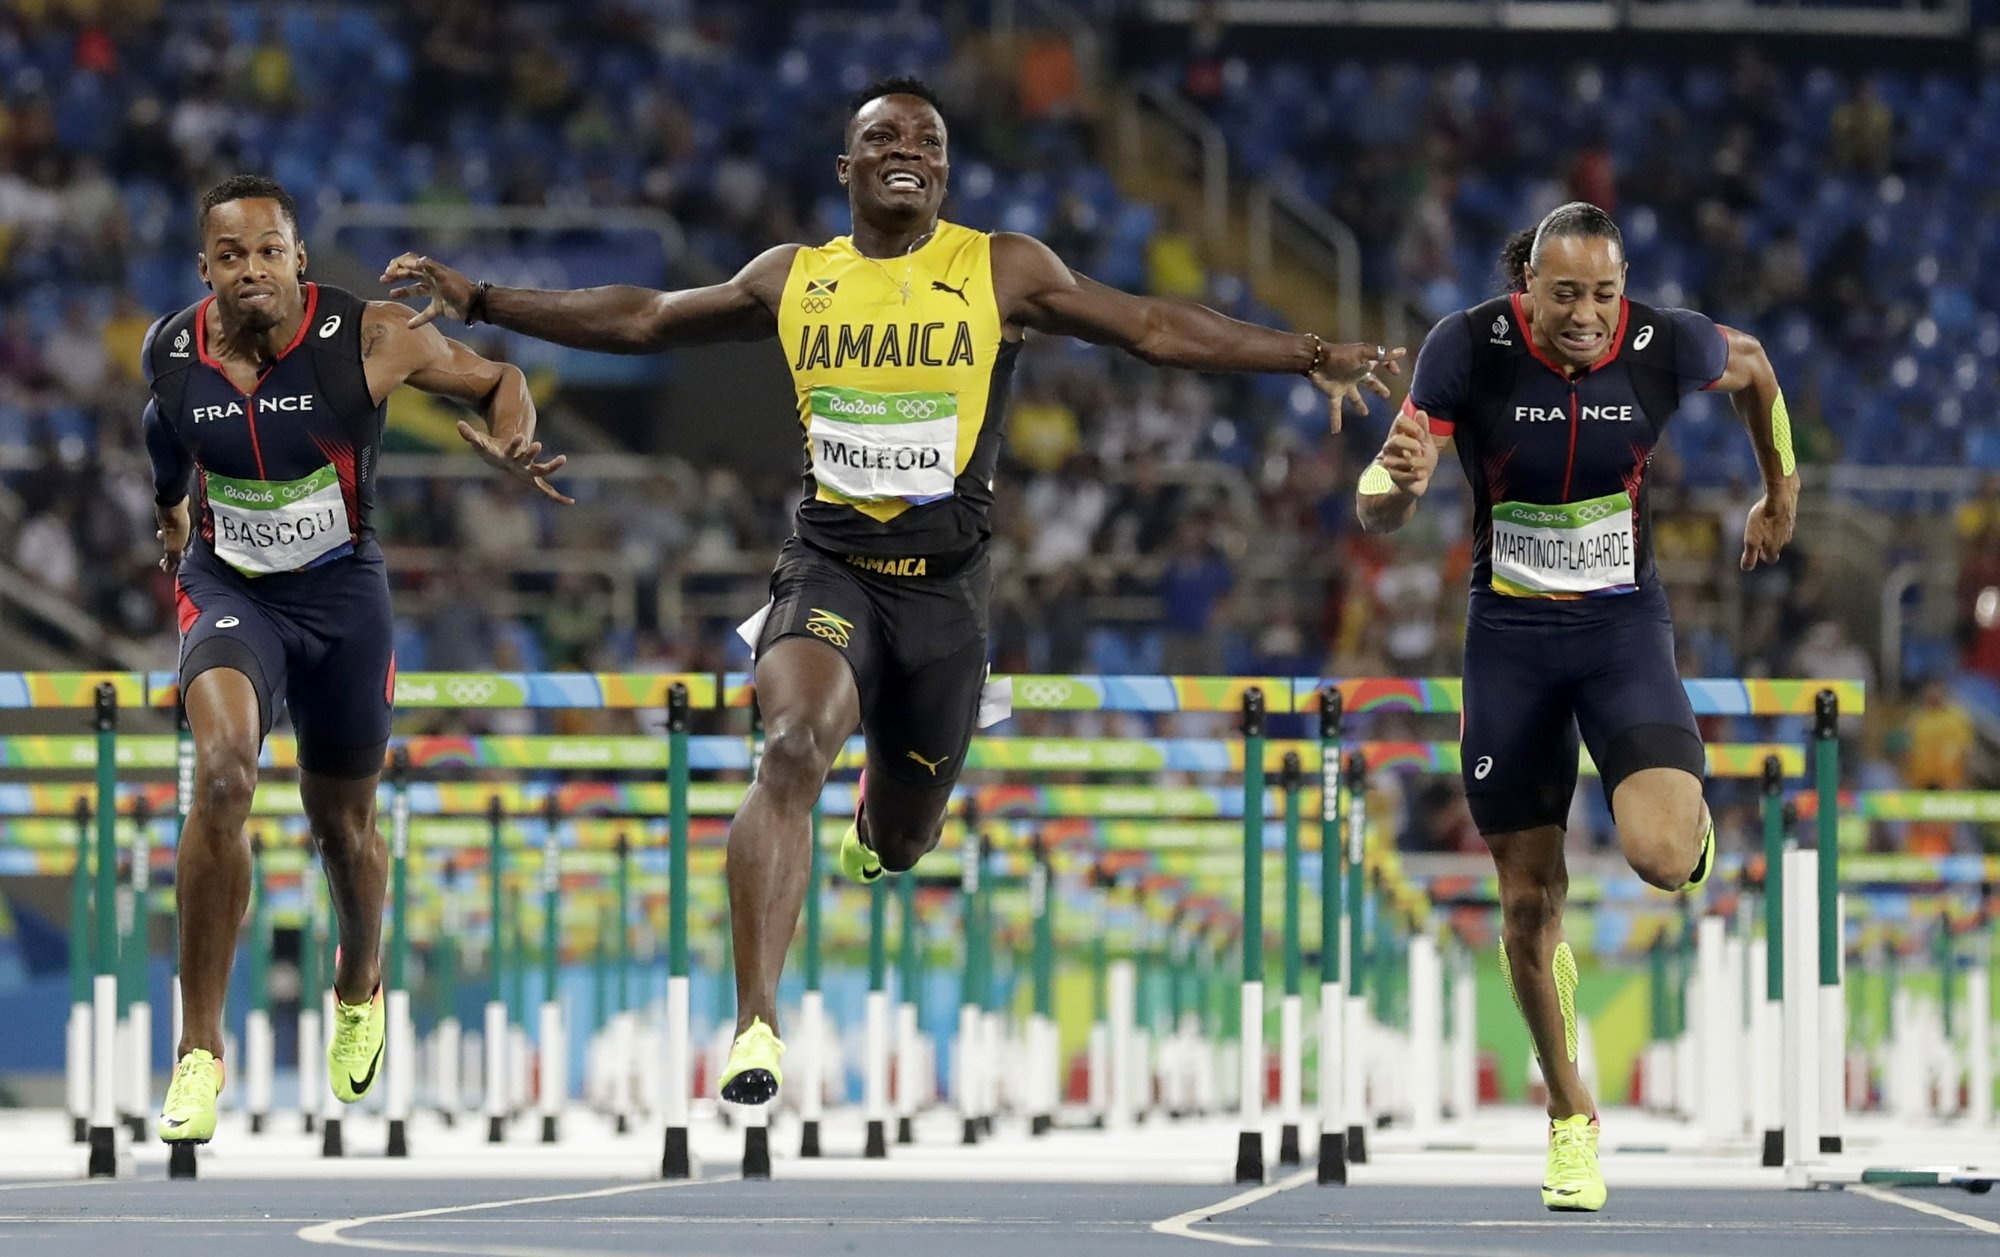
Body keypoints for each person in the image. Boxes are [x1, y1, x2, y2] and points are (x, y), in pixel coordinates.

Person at [381, 76, 1401, 1106]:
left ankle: (878, 824)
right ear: (847, 167)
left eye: (927, 137)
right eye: (882, 136)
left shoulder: (1001, 268)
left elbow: (1148, 327)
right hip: (828, 566)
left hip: (947, 594)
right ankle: (755, 1026)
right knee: (788, 746)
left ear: (946, 168)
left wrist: (1303, 353)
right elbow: (646, 315)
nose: (905, 147)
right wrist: (484, 301)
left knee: (907, 839)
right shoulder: (792, 278)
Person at [1356, 201, 1797, 1212]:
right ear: (1529, 289)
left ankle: (1683, 836)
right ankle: (1568, 1118)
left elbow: (1756, 365)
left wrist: (1782, 488)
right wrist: (1392, 486)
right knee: (1525, 896)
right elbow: (1379, 496)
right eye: (1565, 296)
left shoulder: (1661, 342)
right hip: (1507, 639)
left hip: (1618, 632)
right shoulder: (1462, 346)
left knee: (1656, 857)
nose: (1588, 315)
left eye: (1603, 293)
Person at [146, 175, 569, 1146]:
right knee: (220, 775)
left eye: (268, 251)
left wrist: (511, 442)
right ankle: (199, 1051)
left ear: (298, 258)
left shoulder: (370, 338)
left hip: (341, 600)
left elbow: (499, 379)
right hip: (229, 590)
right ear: (204, 268)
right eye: (229, 255)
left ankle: (358, 982)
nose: (250, 269)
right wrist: (171, 520)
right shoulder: (172, 351)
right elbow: (161, 434)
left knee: (343, 826)